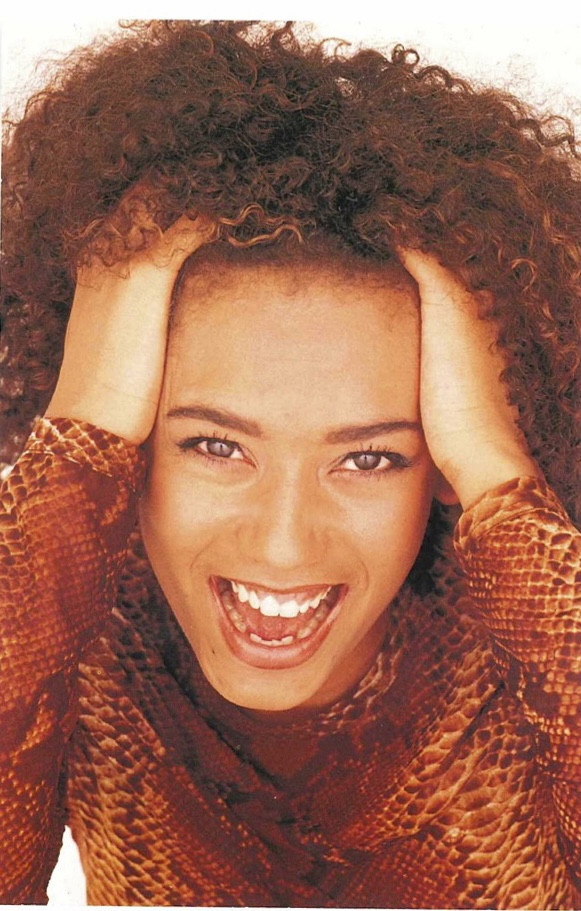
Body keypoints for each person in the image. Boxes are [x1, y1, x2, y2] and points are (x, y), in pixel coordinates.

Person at [1, 19, 580, 908]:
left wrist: (497, 467)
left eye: (370, 457)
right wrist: (80, 426)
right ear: (136, 439)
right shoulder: (80, 627)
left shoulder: (530, 648)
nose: (282, 545)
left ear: (439, 465)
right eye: (215, 445)